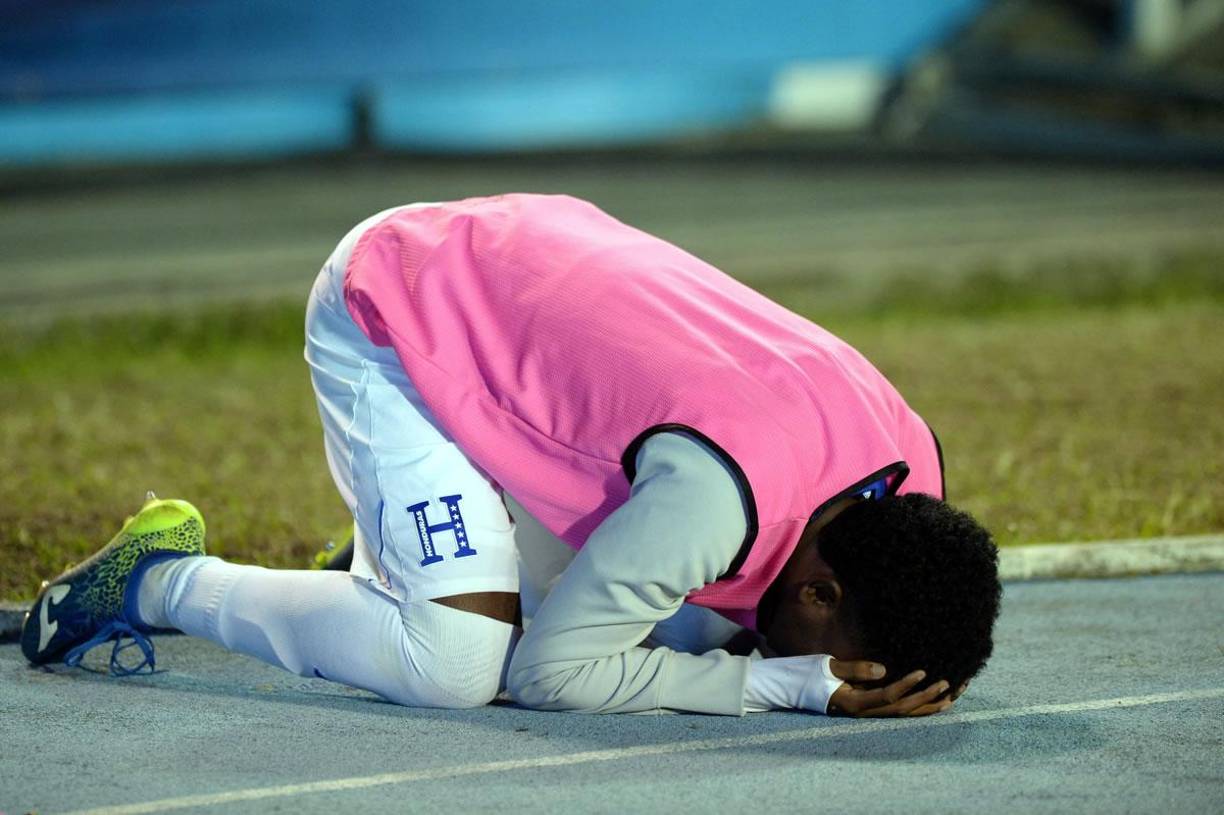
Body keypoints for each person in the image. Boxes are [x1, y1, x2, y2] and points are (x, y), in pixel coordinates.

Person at [22, 194, 1001, 716]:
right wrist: (778, 685)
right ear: (821, 593)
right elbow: (550, 676)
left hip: (535, 275)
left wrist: (779, 654)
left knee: (681, 629)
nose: (833, 677)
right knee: (457, 661)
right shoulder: (720, 500)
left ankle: (389, 557)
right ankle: (152, 577)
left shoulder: (912, 465)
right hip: (404, 304)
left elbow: (735, 608)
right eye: (836, 657)